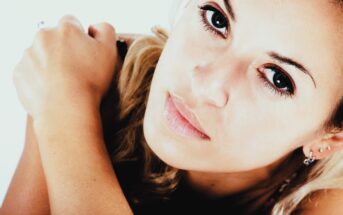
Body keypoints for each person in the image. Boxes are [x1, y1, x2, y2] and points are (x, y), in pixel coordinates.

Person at [2, 0, 343, 214]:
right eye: (217, 19)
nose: (206, 83)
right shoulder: (91, 75)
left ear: (329, 139)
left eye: (277, 78)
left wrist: (66, 112)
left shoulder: (326, 199)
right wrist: (65, 101)